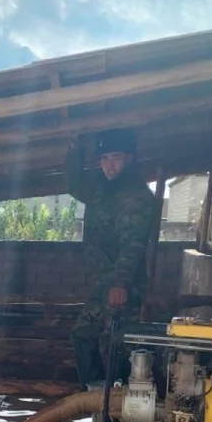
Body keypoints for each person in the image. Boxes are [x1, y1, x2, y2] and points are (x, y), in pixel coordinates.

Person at [65, 128, 157, 389]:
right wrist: (73, 152)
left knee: (118, 344)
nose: (109, 165)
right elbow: (73, 185)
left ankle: (118, 407)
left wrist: (120, 283)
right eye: (104, 158)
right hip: (104, 283)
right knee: (84, 335)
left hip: (122, 286)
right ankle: (98, 396)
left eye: (115, 157)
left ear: (130, 158)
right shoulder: (101, 189)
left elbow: (134, 244)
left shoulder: (137, 197)